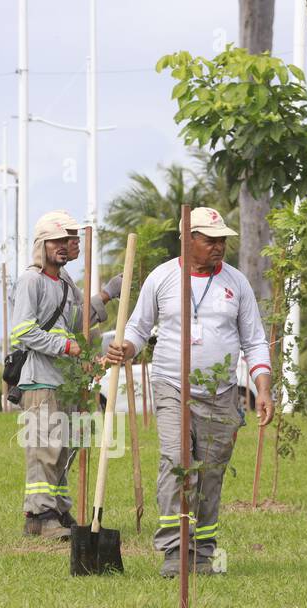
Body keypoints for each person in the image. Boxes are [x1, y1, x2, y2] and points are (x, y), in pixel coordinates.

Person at [105, 207, 272, 576]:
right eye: (210, 240)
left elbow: (255, 341)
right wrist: (126, 350)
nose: (219, 247)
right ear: (188, 239)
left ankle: (203, 552)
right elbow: (137, 328)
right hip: (171, 385)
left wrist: (263, 389)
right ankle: (174, 551)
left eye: (222, 240)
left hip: (222, 391)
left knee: (211, 472)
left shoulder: (236, 283)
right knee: (177, 463)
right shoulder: (162, 278)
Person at [9, 211, 120, 538]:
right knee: (45, 447)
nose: (66, 246)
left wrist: (106, 296)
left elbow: (76, 321)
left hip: (68, 380)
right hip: (41, 378)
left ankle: (58, 509)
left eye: (70, 240)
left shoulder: (67, 283)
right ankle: (39, 515)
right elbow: (23, 332)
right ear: (42, 244)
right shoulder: (32, 280)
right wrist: (65, 347)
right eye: (58, 240)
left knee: (66, 448)